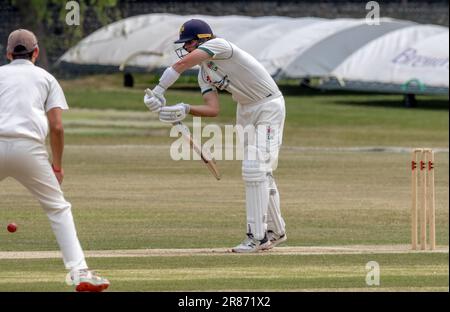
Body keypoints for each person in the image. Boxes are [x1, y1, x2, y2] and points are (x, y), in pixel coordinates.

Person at [144, 19, 287, 253]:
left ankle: (257, 237)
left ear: (203, 40)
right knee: (260, 171)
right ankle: (276, 231)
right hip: (246, 110)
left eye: (189, 42)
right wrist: (184, 109)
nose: (187, 48)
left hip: (269, 105)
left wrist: (159, 90)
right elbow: (213, 109)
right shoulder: (205, 74)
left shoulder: (221, 46)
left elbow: (181, 64)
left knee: (254, 168)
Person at [0, 29, 110, 291]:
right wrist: (57, 165)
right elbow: (57, 127)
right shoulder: (46, 78)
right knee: (58, 209)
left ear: (8, 53)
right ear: (36, 52)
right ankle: (79, 272)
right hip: (29, 150)